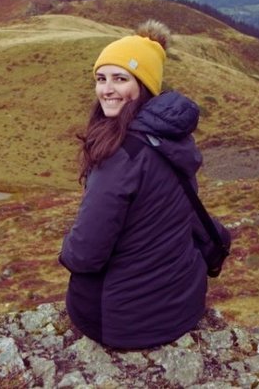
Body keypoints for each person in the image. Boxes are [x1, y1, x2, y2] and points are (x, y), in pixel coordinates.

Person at [58, 19, 210, 350]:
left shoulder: (121, 157)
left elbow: (85, 254)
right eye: (101, 79)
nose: (107, 89)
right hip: (182, 305)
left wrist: (65, 248)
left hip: (126, 322)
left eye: (121, 79)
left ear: (144, 86)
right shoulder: (172, 138)